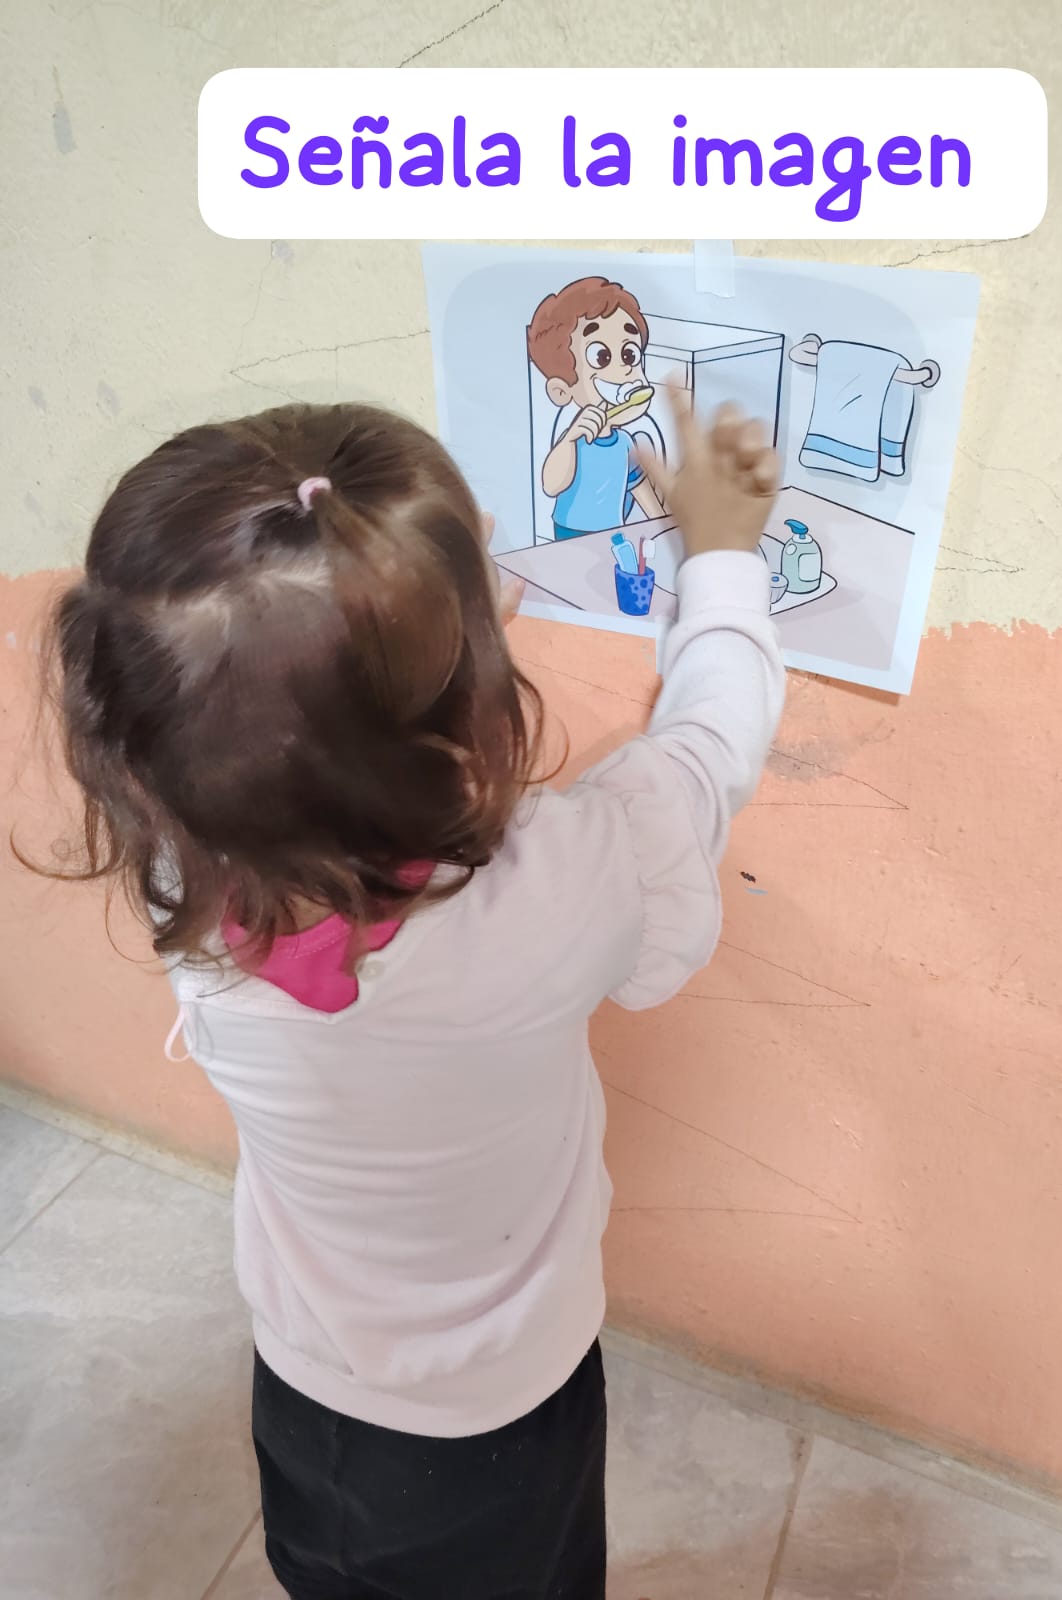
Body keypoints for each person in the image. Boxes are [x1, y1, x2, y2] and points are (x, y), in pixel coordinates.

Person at [32, 386, 785, 1599]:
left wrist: (429, 650)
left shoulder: (183, 870)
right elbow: (708, 748)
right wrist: (725, 559)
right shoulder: (568, 882)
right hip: (499, 1414)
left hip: (306, 1382)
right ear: (472, 714)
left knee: (329, 1573)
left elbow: (269, 719)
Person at [528, 275, 664, 539]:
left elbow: (639, 488)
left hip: (614, 532)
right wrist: (569, 439)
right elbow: (551, 485)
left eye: (630, 355)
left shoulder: (625, 442)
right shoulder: (574, 440)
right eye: (602, 357)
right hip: (569, 532)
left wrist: (666, 527)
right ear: (561, 390)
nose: (624, 368)